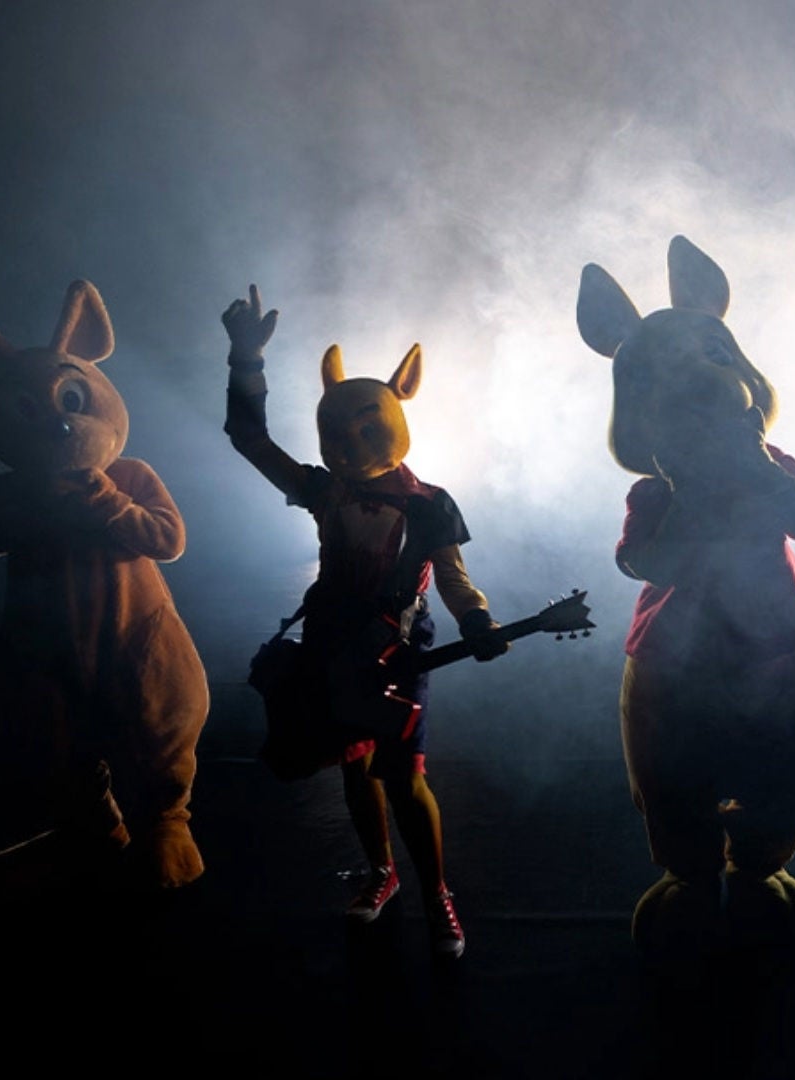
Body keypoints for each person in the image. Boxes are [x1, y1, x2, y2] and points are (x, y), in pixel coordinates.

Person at [222, 285, 508, 956]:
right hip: (329, 639)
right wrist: (244, 362)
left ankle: (435, 893)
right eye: (337, 436)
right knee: (355, 767)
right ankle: (383, 874)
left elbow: (454, 574)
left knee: (403, 775)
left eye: (364, 431)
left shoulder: (430, 503)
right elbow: (248, 438)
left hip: (398, 644)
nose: (348, 447)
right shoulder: (326, 490)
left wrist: (476, 618)